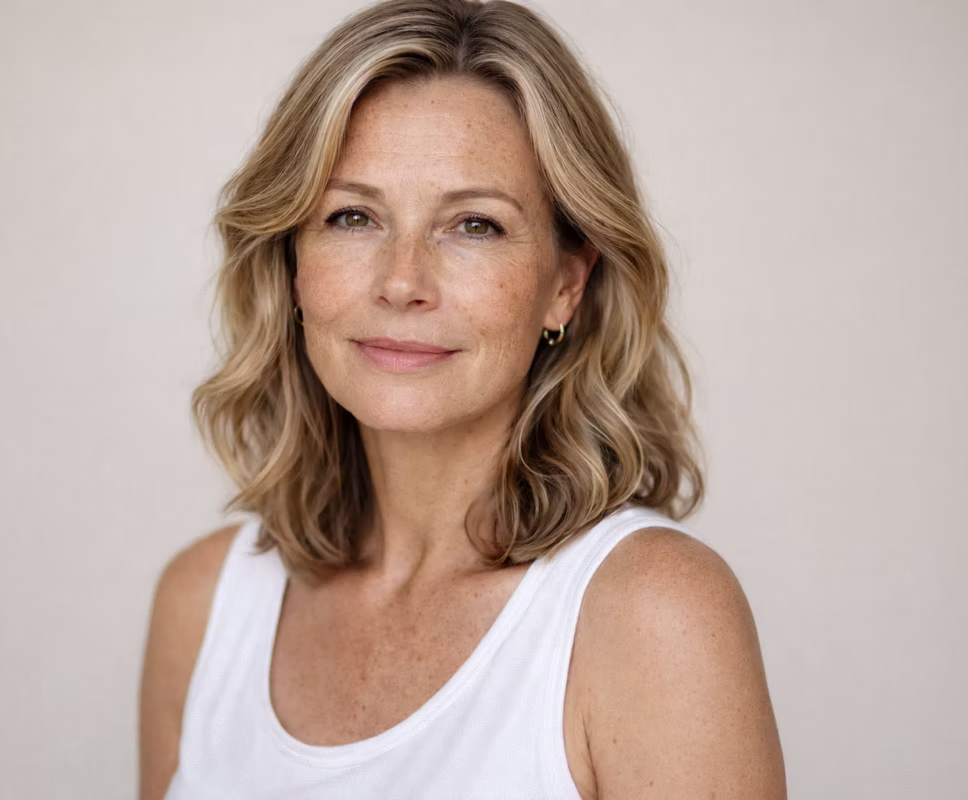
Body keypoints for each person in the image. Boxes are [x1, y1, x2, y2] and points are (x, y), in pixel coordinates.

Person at [139, 0, 786, 797]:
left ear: (566, 283)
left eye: (474, 225)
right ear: (292, 263)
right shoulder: (202, 606)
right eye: (353, 216)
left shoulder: (653, 613)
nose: (402, 280)